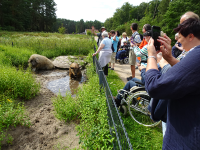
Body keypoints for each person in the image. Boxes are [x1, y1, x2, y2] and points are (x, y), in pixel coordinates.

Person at [145, 18, 200, 149]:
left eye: (180, 38)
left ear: (191, 36)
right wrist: (169, 57)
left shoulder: (197, 55)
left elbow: (154, 86)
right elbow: (190, 74)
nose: (178, 42)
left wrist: (151, 56)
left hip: (184, 141)